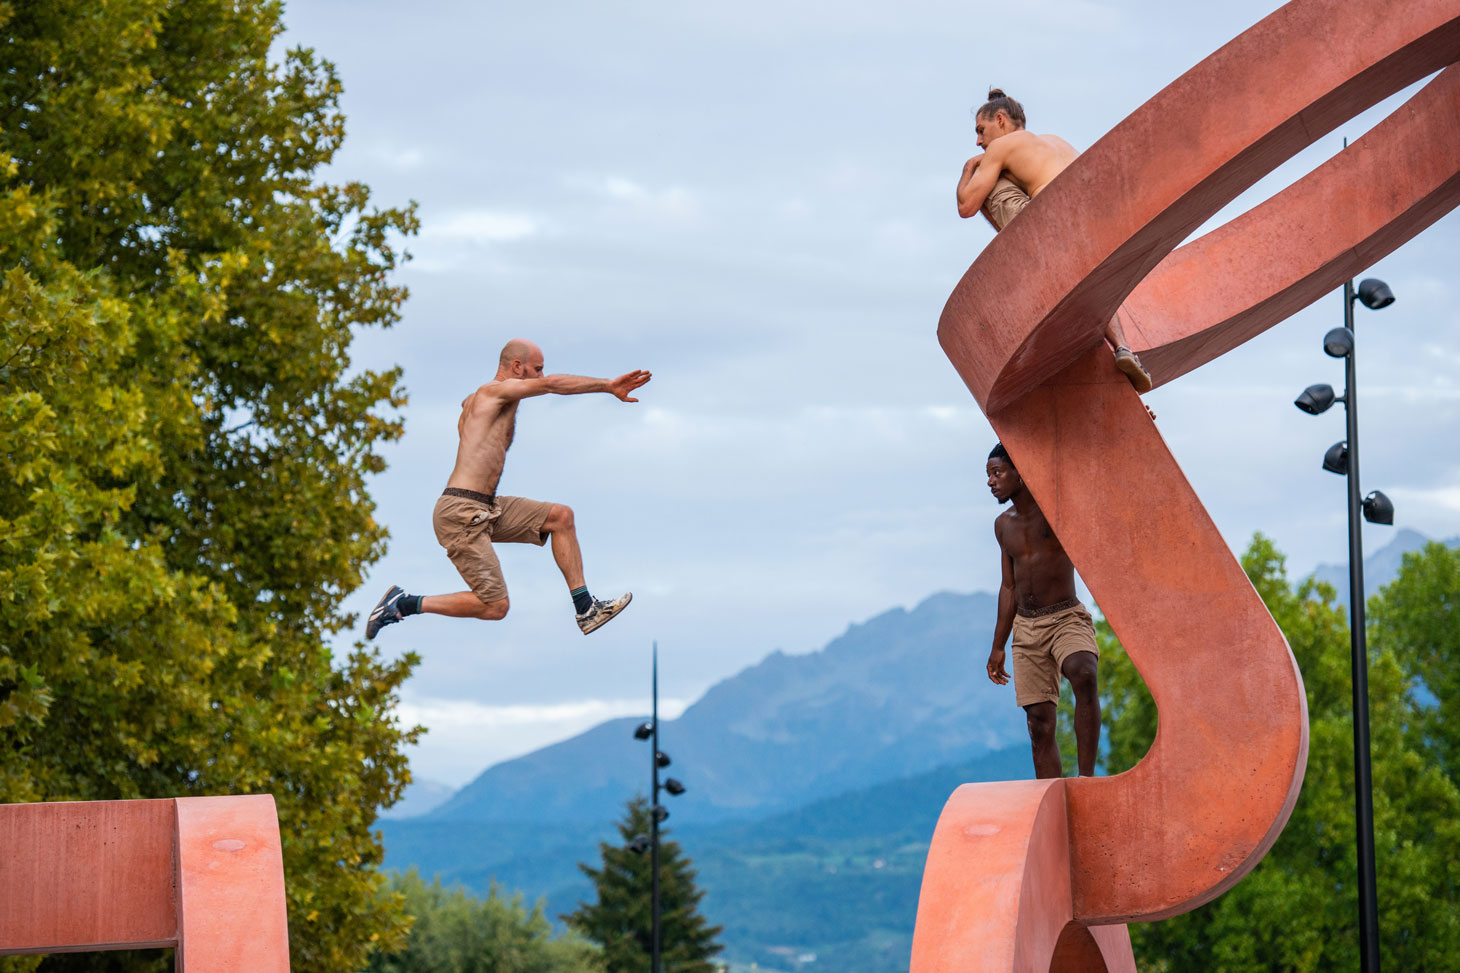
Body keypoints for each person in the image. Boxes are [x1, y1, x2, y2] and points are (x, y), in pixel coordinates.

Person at [365, 339, 650, 640]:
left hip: (486, 507)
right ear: (517, 367)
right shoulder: (491, 392)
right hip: (461, 512)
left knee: (560, 517)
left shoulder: (481, 400)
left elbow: (469, 408)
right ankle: (405, 604)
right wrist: (608, 386)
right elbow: (552, 385)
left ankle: (585, 609)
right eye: (536, 369)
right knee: (495, 607)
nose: (540, 376)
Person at [956, 88, 1153, 394]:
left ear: (1000, 120)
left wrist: (969, 168)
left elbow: (966, 206)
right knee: (1089, 281)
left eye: (981, 131)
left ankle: (1020, 255)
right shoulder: (1056, 141)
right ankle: (1124, 347)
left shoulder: (1002, 146)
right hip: (1093, 226)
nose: (979, 141)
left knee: (986, 181)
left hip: (1050, 229)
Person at [984, 442, 1100, 778]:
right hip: (1027, 628)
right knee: (1038, 723)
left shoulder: (1057, 509)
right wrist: (997, 646)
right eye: (988, 475)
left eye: (997, 472)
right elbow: (1009, 587)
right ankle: (1053, 799)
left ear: (1020, 471)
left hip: (1066, 617)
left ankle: (1088, 782)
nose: (991, 482)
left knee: (1084, 672)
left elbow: (1088, 468)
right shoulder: (1002, 525)